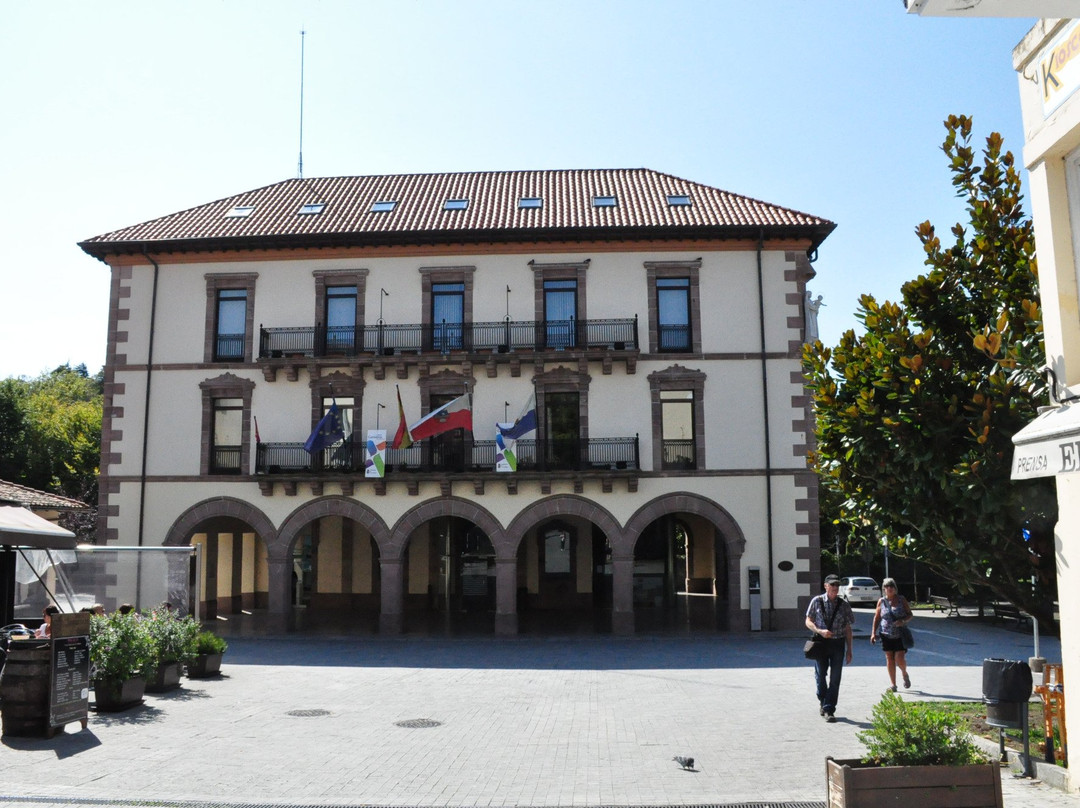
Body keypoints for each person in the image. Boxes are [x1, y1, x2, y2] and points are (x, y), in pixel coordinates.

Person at [805, 574, 854, 722]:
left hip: (838, 643)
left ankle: (829, 708)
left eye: (837, 586)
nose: (834, 588)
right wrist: (819, 631)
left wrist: (850, 649)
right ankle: (823, 699)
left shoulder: (843, 605)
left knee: (835, 678)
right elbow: (808, 620)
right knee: (820, 675)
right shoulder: (817, 601)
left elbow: (848, 627)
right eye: (832, 585)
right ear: (826, 586)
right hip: (821, 642)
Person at [870, 577, 913, 691]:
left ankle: (904, 673)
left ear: (895, 588)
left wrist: (902, 621)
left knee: (899, 658)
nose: (889, 588)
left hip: (899, 634)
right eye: (887, 587)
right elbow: (877, 617)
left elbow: (910, 614)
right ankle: (893, 685)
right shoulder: (881, 601)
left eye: (892, 586)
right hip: (885, 634)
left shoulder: (901, 600)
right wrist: (873, 633)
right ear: (884, 589)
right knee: (889, 658)